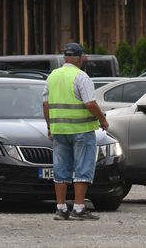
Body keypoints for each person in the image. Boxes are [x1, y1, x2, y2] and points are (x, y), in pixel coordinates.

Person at [43, 42, 110, 221]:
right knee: (83, 168)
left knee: (61, 168)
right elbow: (89, 103)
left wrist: (50, 126)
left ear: (65, 57)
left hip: (59, 131)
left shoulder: (52, 76)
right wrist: (102, 119)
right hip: (81, 130)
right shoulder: (81, 76)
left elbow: (45, 103)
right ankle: (79, 209)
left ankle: (61, 208)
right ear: (81, 58)